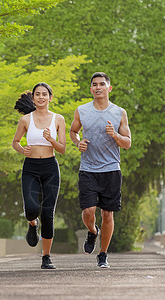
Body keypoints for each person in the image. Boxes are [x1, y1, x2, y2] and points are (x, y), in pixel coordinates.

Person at [70, 72, 131, 268]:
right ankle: (93, 231)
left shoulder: (119, 112)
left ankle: (103, 254)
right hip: (88, 168)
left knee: (107, 214)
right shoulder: (82, 110)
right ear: (91, 89)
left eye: (102, 84)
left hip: (111, 169)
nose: (98, 87)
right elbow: (73, 131)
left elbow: (128, 143)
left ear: (109, 88)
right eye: (94, 84)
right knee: (88, 211)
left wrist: (115, 135)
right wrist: (78, 142)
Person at [12, 82, 66, 269]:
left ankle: (46, 257)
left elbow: (63, 149)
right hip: (31, 168)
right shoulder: (25, 120)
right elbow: (16, 142)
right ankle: (32, 224)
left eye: (44, 94)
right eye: (37, 94)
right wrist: (22, 150)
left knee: (48, 213)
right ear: (33, 98)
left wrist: (51, 139)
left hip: (50, 168)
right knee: (32, 208)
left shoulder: (58, 119)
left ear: (50, 97)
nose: (41, 97)